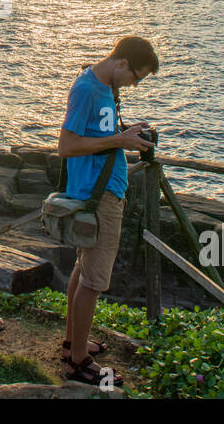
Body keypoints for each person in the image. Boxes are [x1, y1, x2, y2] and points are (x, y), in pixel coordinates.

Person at [58, 36, 159, 386]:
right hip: (97, 195)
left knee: (82, 269)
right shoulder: (88, 89)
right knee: (94, 280)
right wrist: (120, 141)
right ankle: (78, 363)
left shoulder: (103, 87)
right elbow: (66, 146)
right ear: (122, 63)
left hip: (102, 191)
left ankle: (74, 343)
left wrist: (123, 133)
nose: (135, 85)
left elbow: (94, 133)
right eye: (137, 77)